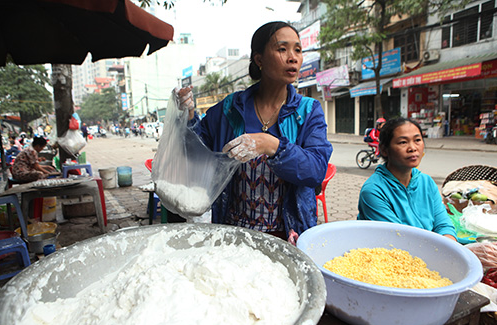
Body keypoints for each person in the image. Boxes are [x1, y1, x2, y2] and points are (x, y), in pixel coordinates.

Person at [176, 21, 333, 245]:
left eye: (297, 50)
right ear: (259, 59)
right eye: (282, 49)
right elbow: (196, 153)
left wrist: (272, 146)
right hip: (234, 235)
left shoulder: (308, 111)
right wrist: (188, 115)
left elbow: (316, 170)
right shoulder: (231, 109)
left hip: (287, 236)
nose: (293, 57)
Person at [357, 117, 457, 241]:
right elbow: (399, 240)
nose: (412, 148)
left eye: (417, 140)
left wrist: (451, 246)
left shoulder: (427, 183)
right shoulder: (373, 191)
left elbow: (443, 225)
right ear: (384, 149)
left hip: (431, 251)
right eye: (403, 142)